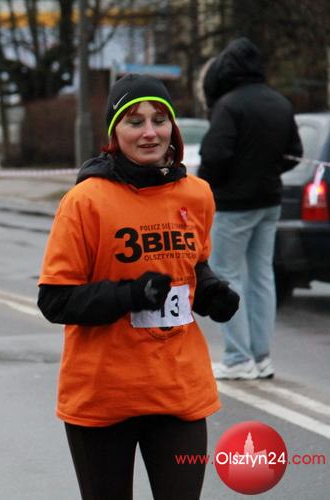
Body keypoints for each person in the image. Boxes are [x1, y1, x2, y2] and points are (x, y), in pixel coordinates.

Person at [37, 74, 240, 500]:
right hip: (103, 395)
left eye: (159, 120)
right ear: (114, 132)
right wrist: (128, 295)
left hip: (178, 390)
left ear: (172, 127)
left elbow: (191, 266)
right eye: (134, 121)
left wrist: (210, 291)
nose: (150, 132)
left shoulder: (197, 195)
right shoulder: (85, 201)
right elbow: (55, 300)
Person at [199, 38, 303, 381]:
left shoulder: (229, 105)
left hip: (233, 204)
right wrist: (265, 172)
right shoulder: (280, 102)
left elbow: (214, 156)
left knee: (226, 275)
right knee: (261, 277)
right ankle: (261, 357)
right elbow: (295, 152)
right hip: (270, 201)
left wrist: (207, 188)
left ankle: (237, 357)